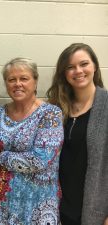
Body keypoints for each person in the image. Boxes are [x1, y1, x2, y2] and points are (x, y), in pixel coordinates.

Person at [0, 58, 64, 225]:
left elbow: (40, 159)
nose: (17, 84)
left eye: (24, 78)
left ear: (35, 81)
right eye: (11, 79)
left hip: (36, 204)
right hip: (1, 205)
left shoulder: (50, 114)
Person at [47, 43, 108, 225]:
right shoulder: (56, 108)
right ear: (64, 73)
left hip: (95, 209)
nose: (78, 71)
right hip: (58, 207)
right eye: (71, 67)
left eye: (84, 64)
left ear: (94, 66)